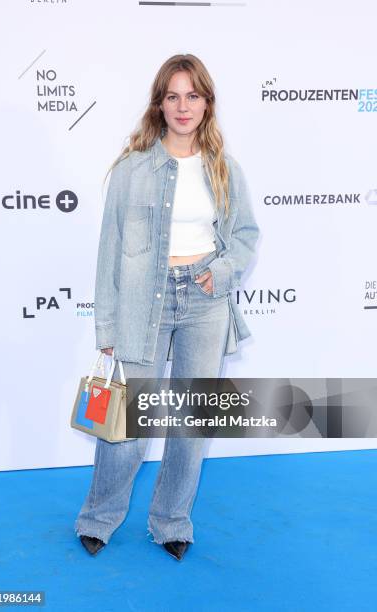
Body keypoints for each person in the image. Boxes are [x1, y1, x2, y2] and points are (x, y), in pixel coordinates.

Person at [74, 53, 260, 561]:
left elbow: (245, 237)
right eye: (173, 96)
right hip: (141, 304)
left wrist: (219, 272)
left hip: (204, 301)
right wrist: (107, 324)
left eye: (193, 95)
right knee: (128, 425)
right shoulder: (132, 170)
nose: (183, 106)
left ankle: (172, 520)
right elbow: (109, 250)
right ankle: (98, 517)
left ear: (207, 103)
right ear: (159, 103)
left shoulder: (225, 168)